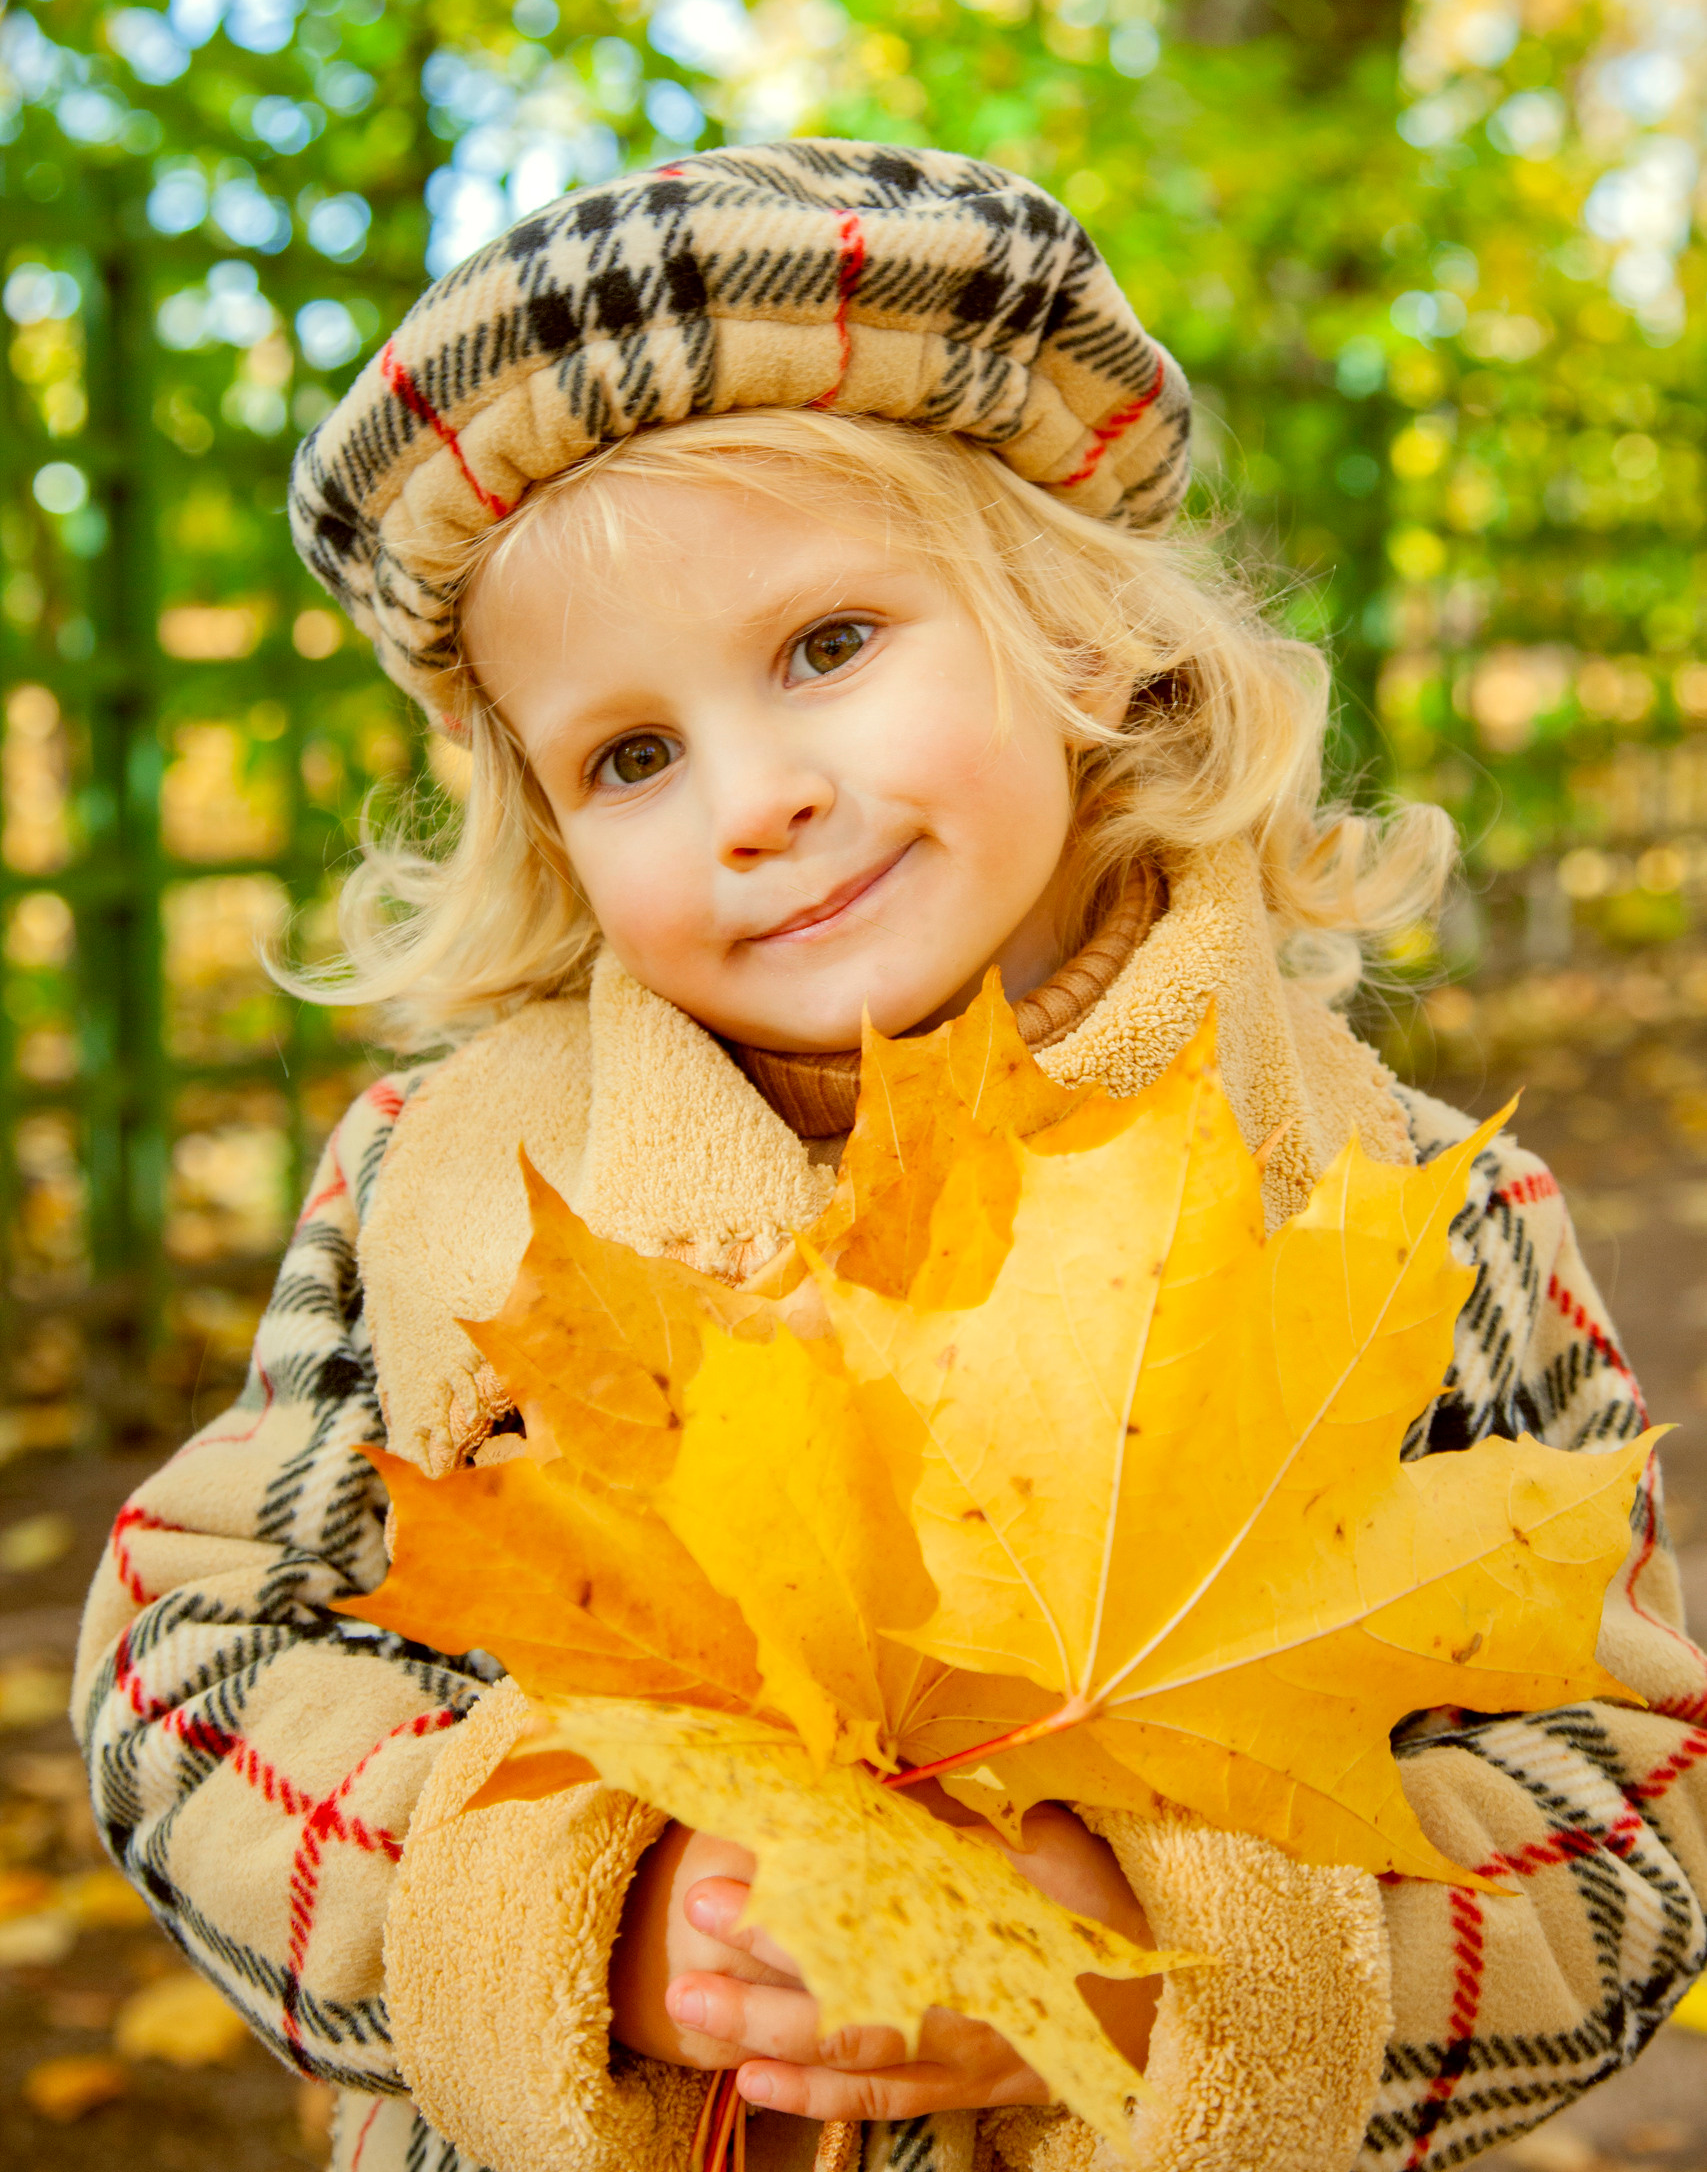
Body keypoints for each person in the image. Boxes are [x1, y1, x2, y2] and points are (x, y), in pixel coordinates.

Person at [75, 142, 1707, 2172]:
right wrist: (577, 1925)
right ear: (548, 834)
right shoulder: (456, 1192)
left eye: (828, 643)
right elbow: (190, 1671)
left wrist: (1167, 1970)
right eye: (631, 754)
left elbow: (1631, 1800)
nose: (753, 795)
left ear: (1082, 636)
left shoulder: (1390, 1203)